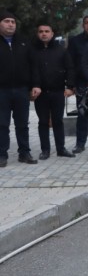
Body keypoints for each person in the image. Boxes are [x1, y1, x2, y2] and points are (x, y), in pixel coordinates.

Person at [0, 9, 41, 166]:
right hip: (1, 91)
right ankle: (2, 155)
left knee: (22, 124)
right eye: (6, 21)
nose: (10, 24)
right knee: (2, 124)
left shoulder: (24, 42)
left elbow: (34, 66)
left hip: (21, 90)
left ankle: (24, 153)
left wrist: (36, 85)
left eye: (13, 22)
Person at [33, 23, 76, 160]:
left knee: (58, 121)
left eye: (47, 31)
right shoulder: (33, 51)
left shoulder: (61, 50)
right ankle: (45, 150)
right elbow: (30, 71)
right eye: (41, 31)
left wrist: (70, 87)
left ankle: (61, 148)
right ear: (37, 34)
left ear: (52, 34)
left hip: (58, 92)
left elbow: (70, 68)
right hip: (40, 93)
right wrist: (33, 86)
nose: (44, 34)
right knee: (43, 122)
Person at [67, 15, 88, 154]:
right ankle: (80, 144)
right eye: (86, 23)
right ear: (83, 25)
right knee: (82, 115)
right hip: (82, 83)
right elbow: (71, 64)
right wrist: (70, 84)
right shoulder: (75, 41)